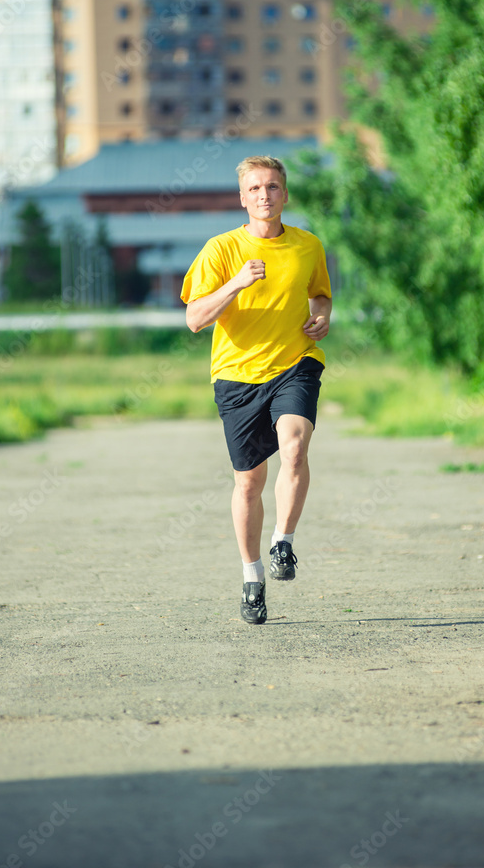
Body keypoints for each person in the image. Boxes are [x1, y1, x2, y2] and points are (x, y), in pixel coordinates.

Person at [181, 155, 332, 625]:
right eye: (254, 189)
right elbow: (194, 318)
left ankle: (282, 543)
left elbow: (320, 293)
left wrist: (323, 315)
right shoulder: (220, 249)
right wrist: (237, 283)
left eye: (272, 187)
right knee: (249, 482)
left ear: (285, 194)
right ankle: (252, 577)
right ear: (242, 198)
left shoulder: (308, 246)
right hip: (237, 376)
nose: (264, 196)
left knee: (295, 448)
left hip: (295, 364)